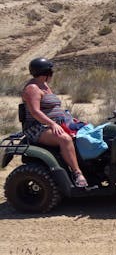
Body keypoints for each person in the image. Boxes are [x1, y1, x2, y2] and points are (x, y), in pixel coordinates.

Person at [22, 57, 88, 187]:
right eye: (51, 71)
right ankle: (77, 173)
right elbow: (35, 112)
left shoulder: (44, 85)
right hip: (37, 127)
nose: (52, 73)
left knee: (85, 130)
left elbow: (53, 107)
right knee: (65, 139)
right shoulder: (32, 88)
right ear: (46, 72)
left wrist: (67, 118)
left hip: (53, 122)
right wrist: (52, 124)